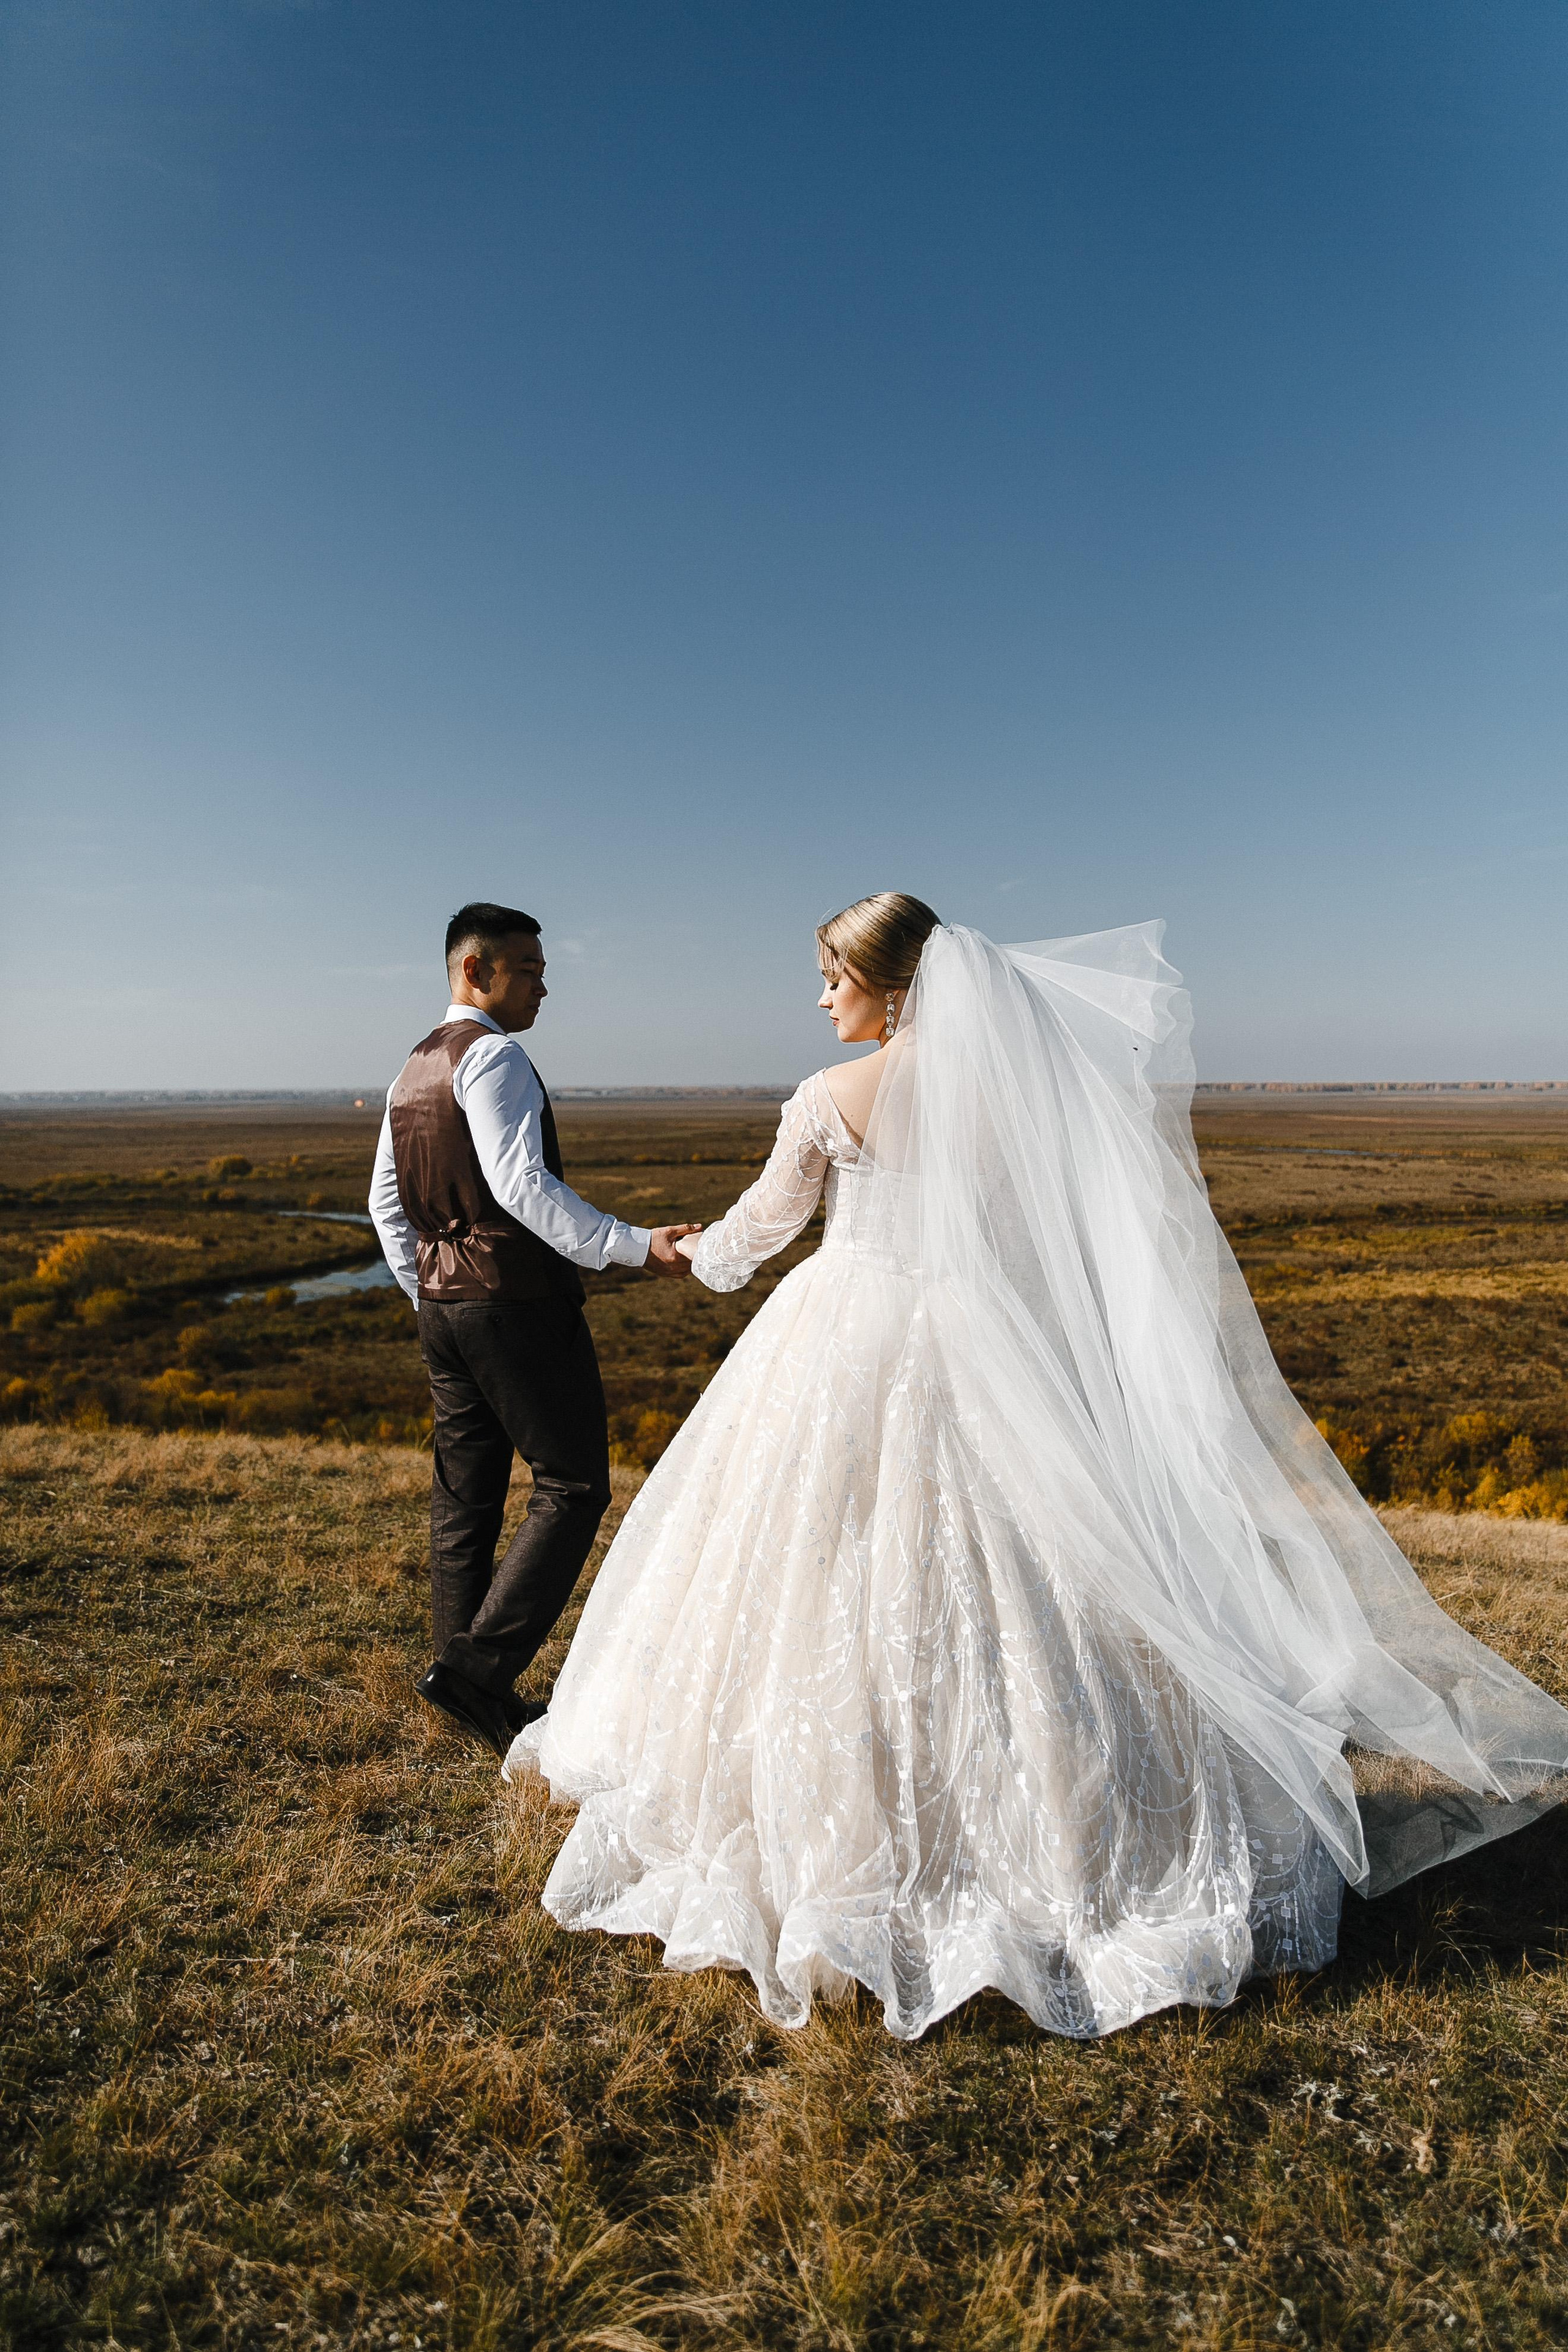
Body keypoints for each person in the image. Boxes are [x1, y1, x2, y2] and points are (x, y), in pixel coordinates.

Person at [504, 896, 1568, 2041]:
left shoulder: (827, 1099)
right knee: (1034, 1570)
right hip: (983, 1340)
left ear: (892, 985)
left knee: (825, 1566)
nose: (821, 999)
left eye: (832, 977)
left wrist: (674, 1252)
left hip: (848, 1333)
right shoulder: (1001, 1099)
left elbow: (754, 1239)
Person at [369, 901, 699, 1760]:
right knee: (574, 1485)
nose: (545, 986)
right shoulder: (496, 1058)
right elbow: (523, 1187)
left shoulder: (412, 1067)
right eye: (529, 969)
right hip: (513, 1305)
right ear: (474, 970)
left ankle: (458, 1674)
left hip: (445, 1312)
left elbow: (383, 1202)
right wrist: (632, 1247)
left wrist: (431, 1293)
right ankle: (478, 1673)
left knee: (465, 1494)